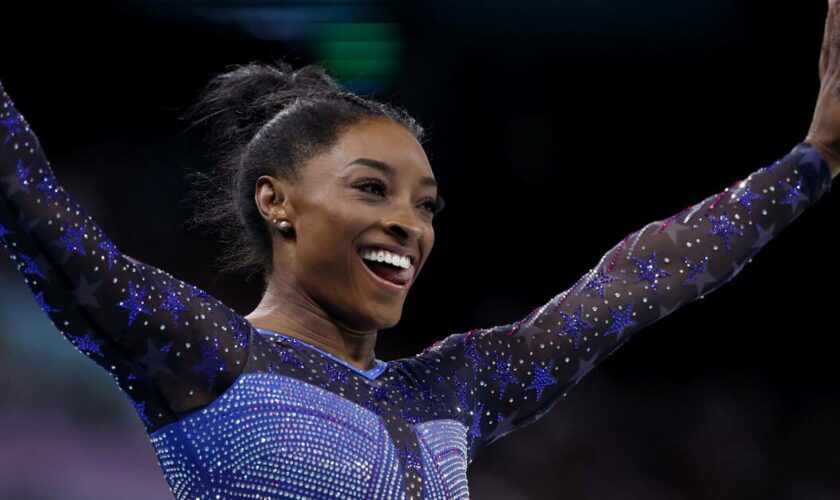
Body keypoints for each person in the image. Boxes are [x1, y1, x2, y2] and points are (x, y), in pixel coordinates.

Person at [1, 6, 838, 498]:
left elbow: (636, 284)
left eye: (426, 204)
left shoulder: (446, 390)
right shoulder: (210, 356)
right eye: (373, 189)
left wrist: (812, 163)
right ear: (276, 202)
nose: (411, 223)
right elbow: (34, 207)